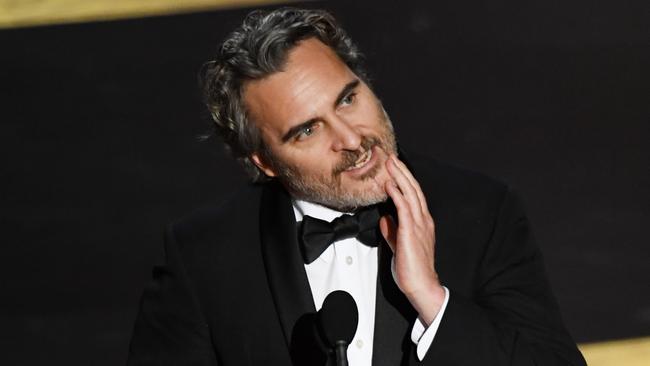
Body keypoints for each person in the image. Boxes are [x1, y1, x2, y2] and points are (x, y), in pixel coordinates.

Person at [127, 7, 586, 366]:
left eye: (348, 99)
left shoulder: (481, 211)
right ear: (265, 162)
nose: (350, 139)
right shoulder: (203, 255)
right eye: (308, 130)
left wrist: (432, 299)